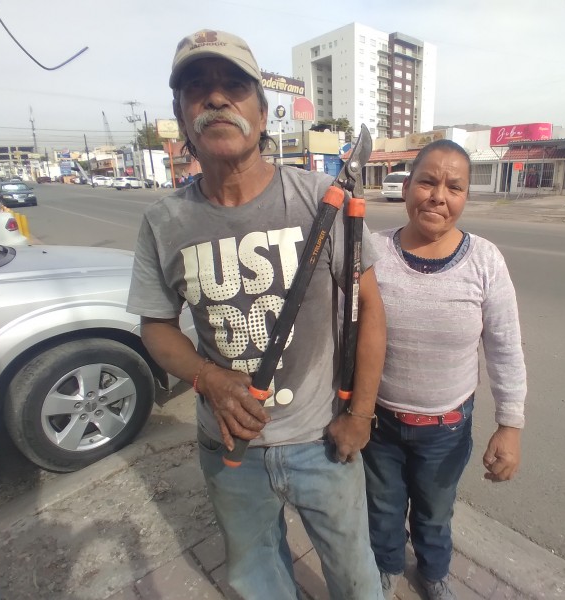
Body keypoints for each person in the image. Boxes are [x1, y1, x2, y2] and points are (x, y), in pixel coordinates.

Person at [126, 29, 387, 600]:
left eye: (234, 87)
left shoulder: (322, 198)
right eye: (198, 89)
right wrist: (209, 379)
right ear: (181, 115)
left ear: (263, 114)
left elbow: (369, 312)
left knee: (356, 577)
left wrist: (361, 415)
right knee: (257, 579)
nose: (216, 99)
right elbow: (156, 326)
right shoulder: (163, 222)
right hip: (228, 447)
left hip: (323, 439)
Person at [363, 139, 527, 600]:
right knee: (382, 508)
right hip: (378, 424)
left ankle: (433, 574)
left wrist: (510, 424)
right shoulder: (372, 253)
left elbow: (505, 347)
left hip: (446, 429)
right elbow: (343, 336)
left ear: (465, 198)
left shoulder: (485, 261)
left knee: (435, 513)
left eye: (454, 187)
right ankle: (387, 567)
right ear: (407, 187)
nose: (438, 195)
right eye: (427, 181)